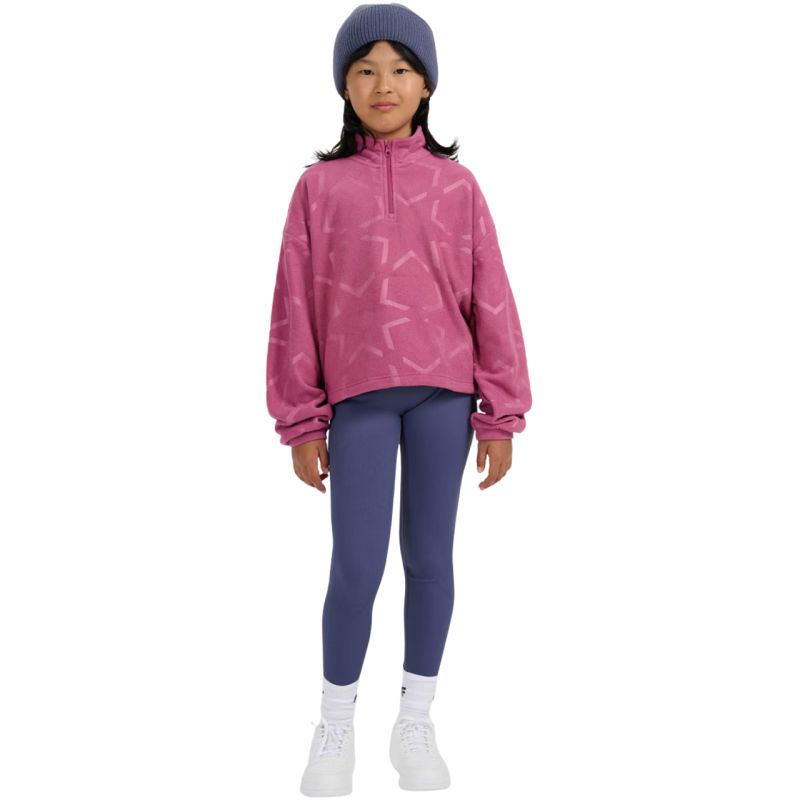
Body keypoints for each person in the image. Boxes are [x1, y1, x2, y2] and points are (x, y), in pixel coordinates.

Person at [265, 3, 532, 794]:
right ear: (345, 86)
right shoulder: (318, 189)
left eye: (402, 69)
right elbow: (294, 306)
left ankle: (416, 719)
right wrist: (300, 420)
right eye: (366, 69)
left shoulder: (459, 187)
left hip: (446, 395)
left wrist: (502, 412)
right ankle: (335, 724)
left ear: (427, 85)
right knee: (356, 565)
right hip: (359, 399)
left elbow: (492, 299)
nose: (384, 84)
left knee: (430, 559)